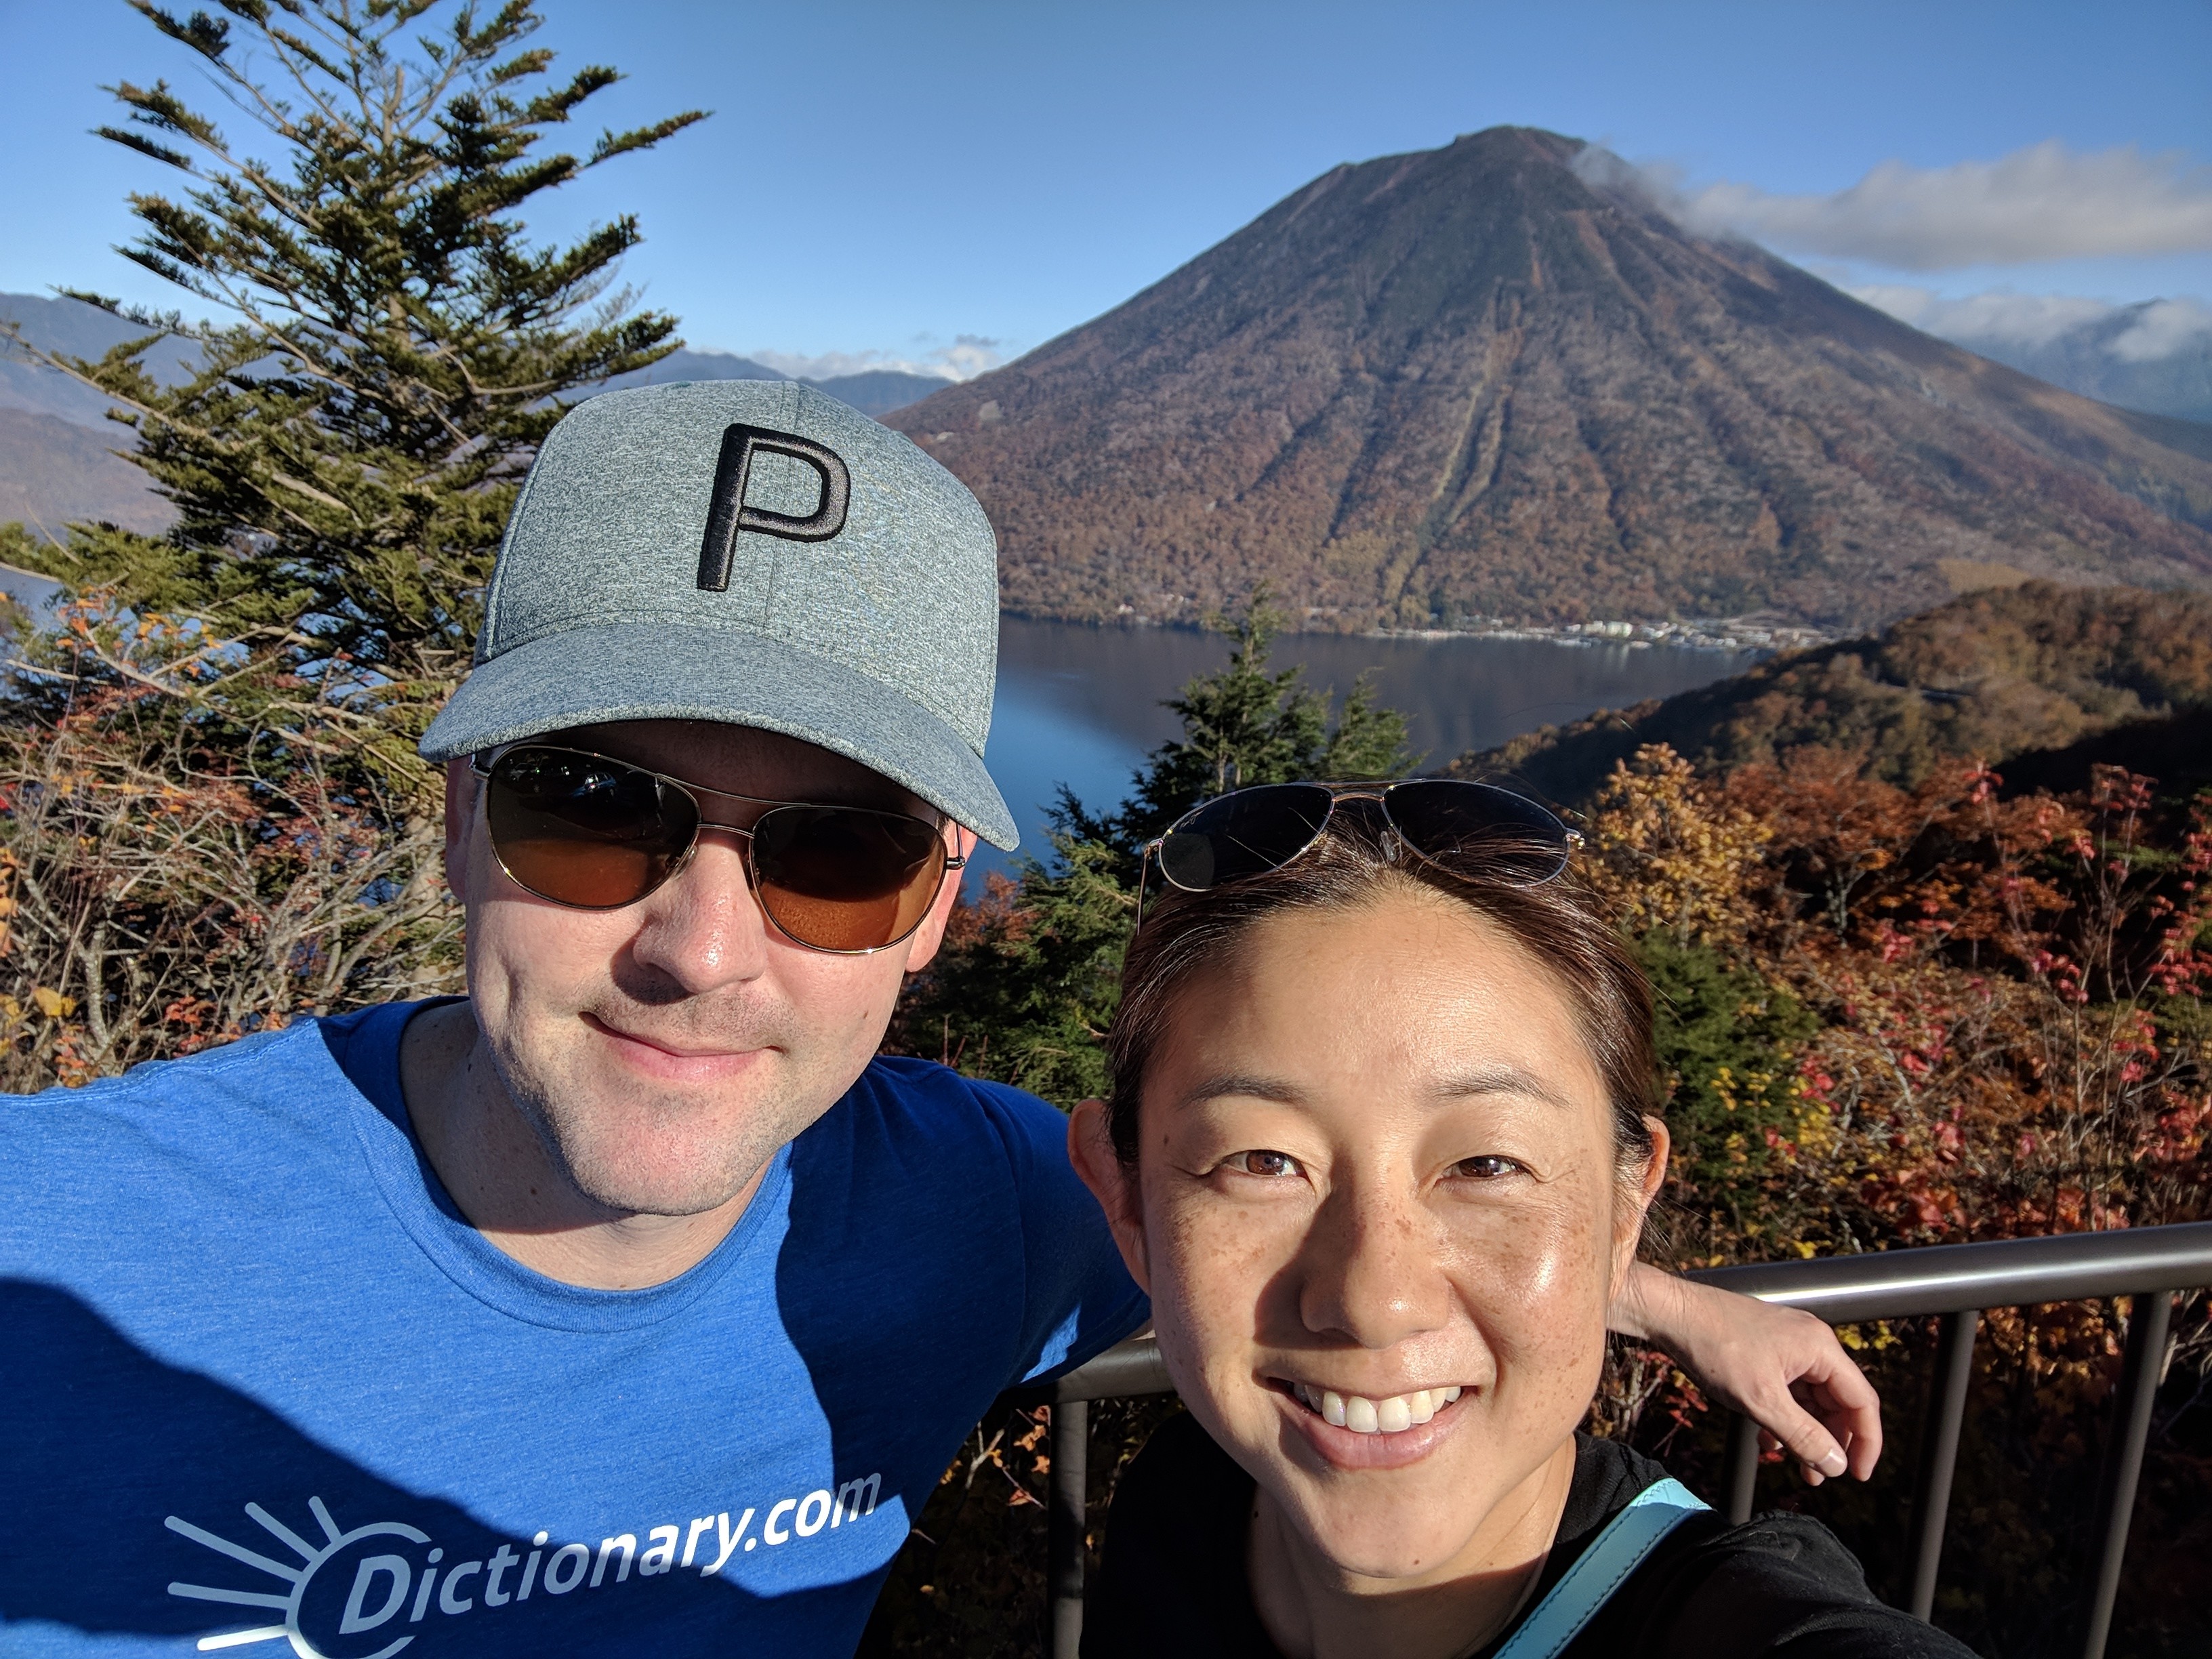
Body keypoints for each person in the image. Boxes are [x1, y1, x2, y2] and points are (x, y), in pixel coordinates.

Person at [3, 382, 1873, 1656]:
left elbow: (1311, 1241)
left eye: (835, 853)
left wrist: (1651, 1288)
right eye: (595, 806)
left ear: (941, 903)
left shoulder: (972, 1199)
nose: (703, 949)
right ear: (460, 818)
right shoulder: (55, 1255)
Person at [1069, 783, 1971, 1658]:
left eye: (1487, 1165)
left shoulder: (1734, 1623)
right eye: (1264, 1162)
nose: (1374, 1302)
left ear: (1628, 1204)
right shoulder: (1186, 1505)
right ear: (1124, 1195)